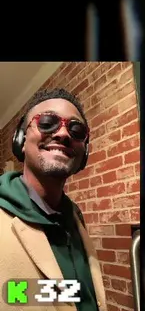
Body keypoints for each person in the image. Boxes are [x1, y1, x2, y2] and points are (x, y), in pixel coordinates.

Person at [0, 89, 107, 311]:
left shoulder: (73, 217)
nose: (63, 133)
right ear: (20, 140)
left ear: (84, 151)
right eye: (47, 122)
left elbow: (72, 293)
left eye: (76, 129)